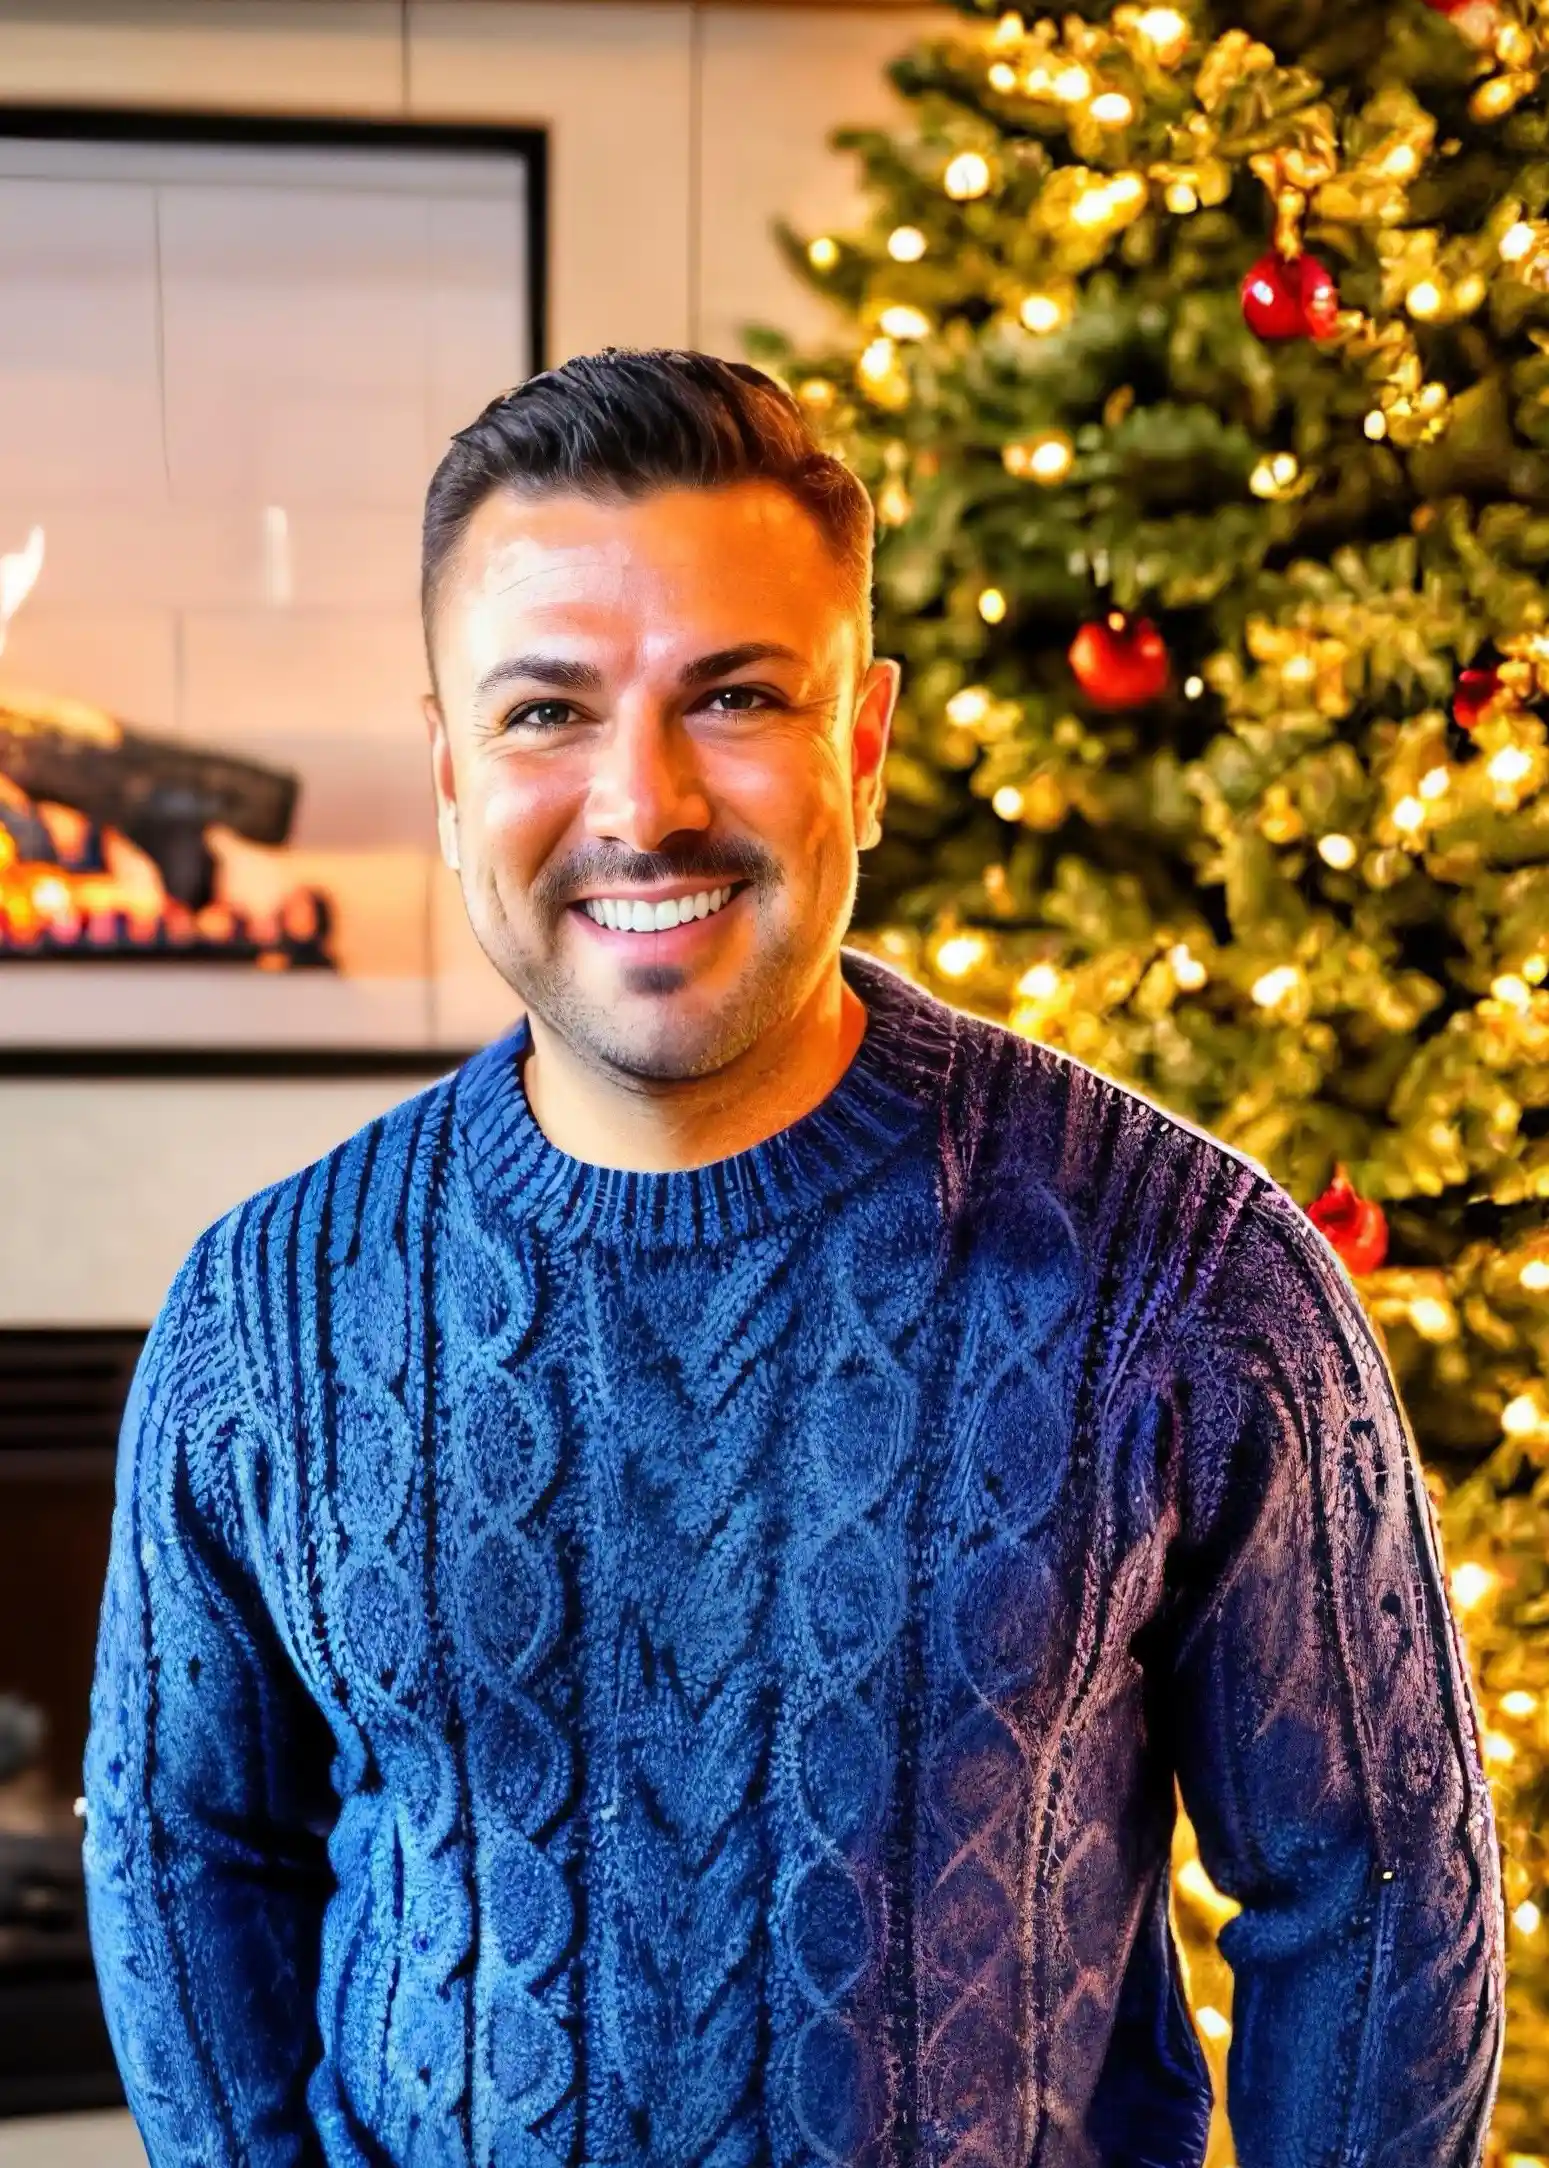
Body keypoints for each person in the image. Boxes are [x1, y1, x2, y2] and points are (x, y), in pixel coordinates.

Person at [83, 348, 1504, 2168]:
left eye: (734, 696)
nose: (642, 801)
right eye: (545, 713)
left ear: (865, 742)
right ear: (449, 775)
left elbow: (1373, 1885)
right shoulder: (263, 1319)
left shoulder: (1192, 1277)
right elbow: (180, 1853)